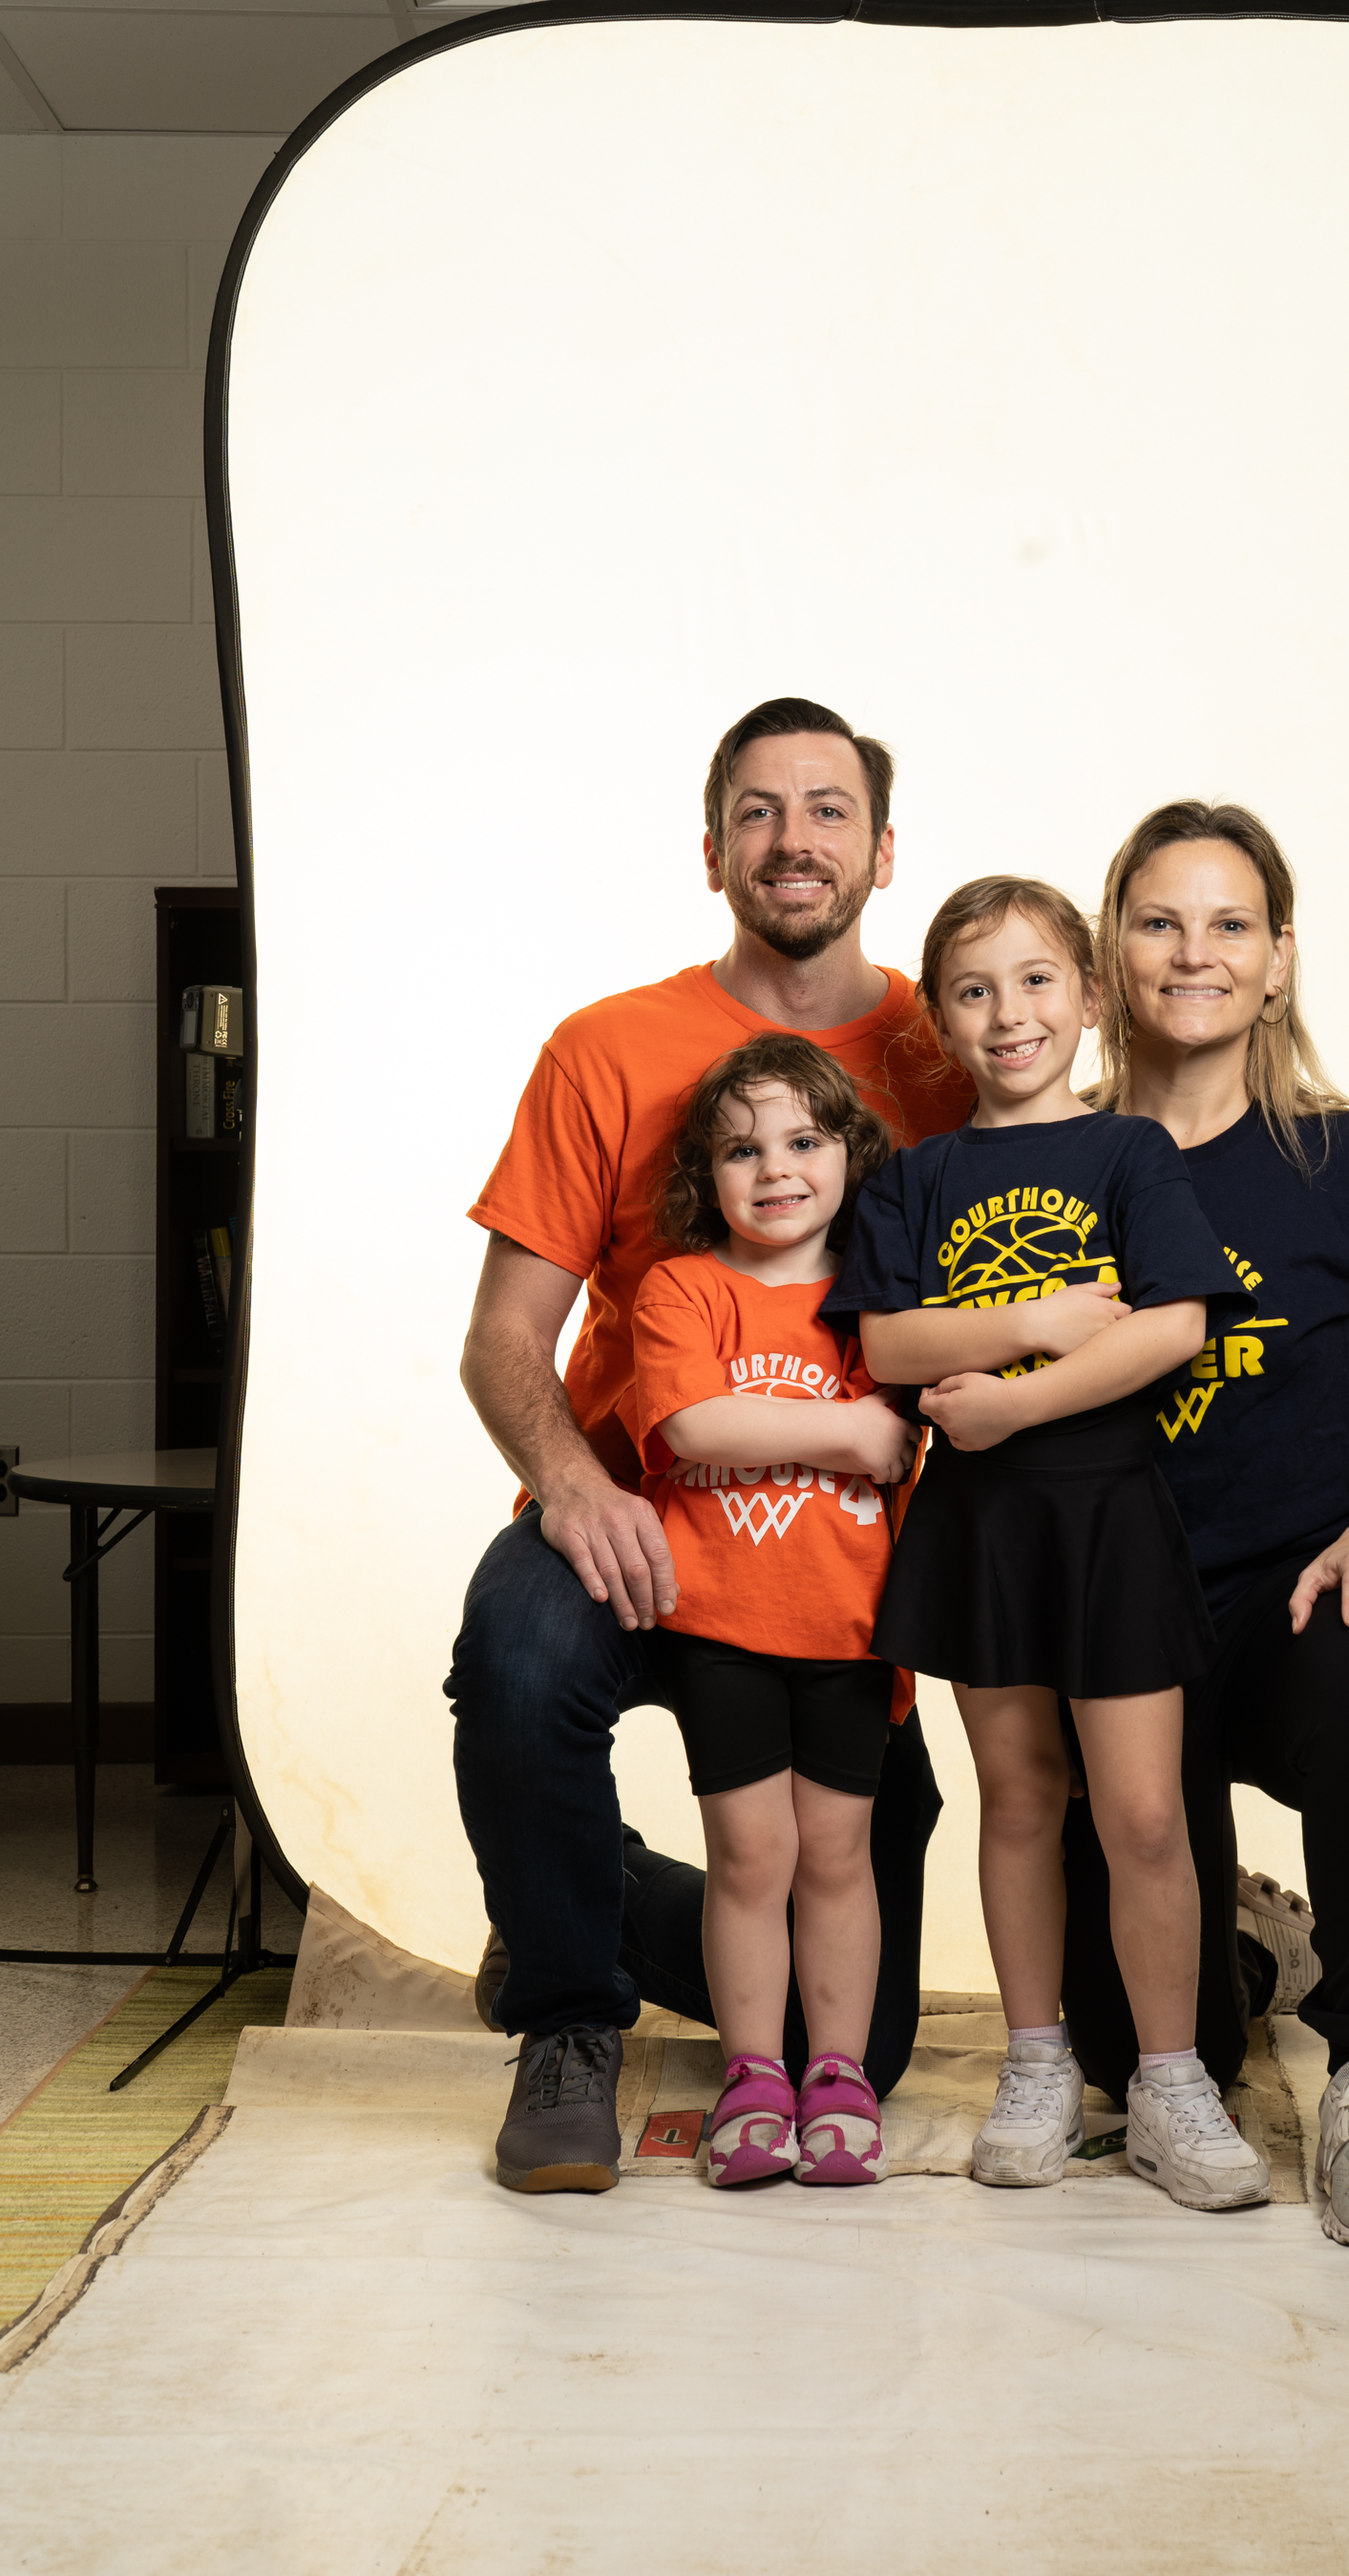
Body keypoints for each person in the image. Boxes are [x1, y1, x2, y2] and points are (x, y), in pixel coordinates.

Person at [447, 696, 971, 2196]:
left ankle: (579, 1895)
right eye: (758, 810)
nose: (793, 839)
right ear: (711, 850)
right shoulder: (608, 1047)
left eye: (827, 809)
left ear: (883, 850)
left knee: (853, 2041)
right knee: (520, 1654)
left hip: (842, 1564)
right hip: (640, 1514)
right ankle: (567, 2018)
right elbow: (503, 1337)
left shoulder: (950, 1056)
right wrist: (572, 1486)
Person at [1062, 800, 1349, 2251]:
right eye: (1160, 922)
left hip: (1291, 1603)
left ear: (1279, 957)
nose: (1196, 953)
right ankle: (1241, 1951)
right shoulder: (1045, 1160)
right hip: (1111, 1626)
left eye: (1230, 923)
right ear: (1111, 951)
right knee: (1129, 2048)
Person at [825, 876, 1268, 2211]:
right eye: (973, 990)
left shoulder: (1130, 1155)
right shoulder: (918, 1176)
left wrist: (1014, 1399)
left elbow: (1174, 1326)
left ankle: (1171, 2081)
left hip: (1110, 1517)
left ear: (1086, 996)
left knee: (1143, 1812)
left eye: (1033, 980)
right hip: (985, 1528)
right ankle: (1035, 2060)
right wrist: (1045, 1316)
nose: (1007, 1012)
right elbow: (887, 1342)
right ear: (939, 1019)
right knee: (1017, 1798)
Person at [634, 1035, 917, 2187]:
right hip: (723, 1628)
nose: (775, 1169)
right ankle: (753, 2072)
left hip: (850, 1629)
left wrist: (859, 1433)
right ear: (705, 1175)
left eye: (803, 1140)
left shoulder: (877, 1297)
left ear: (850, 1153)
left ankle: (838, 2075)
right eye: (741, 1150)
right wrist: (847, 1428)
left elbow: (907, 1442)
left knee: (837, 1856)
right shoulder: (682, 1288)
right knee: (751, 1855)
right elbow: (694, 1425)